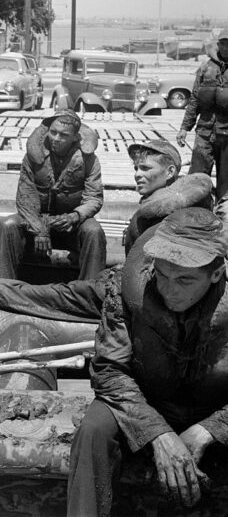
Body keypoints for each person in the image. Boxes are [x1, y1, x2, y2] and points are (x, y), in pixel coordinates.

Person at [67, 208, 228, 516]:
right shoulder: (127, 288)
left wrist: (209, 429)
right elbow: (109, 370)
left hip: (216, 406)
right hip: (147, 400)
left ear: (217, 274)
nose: (168, 289)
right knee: (94, 428)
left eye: (185, 279)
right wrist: (158, 433)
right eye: (162, 274)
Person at [0, 138, 214, 322]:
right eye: (136, 168)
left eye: (145, 169)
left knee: (54, 296)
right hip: (134, 282)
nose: (137, 175)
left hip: (136, 292)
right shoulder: (164, 205)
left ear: (170, 172)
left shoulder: (172, 214)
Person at [0, 109, 106, 281]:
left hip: (70, 224)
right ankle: (3, 286)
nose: (56, 138)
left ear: (75, 138)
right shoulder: (32, 157)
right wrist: (39, 229)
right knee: (9, 225)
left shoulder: (89, 160)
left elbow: (94, 197)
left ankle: (89, 290)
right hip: (36, 221)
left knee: (94, 231)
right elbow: (25, 197)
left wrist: (75, 216)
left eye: (63, 135)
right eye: (53, 132)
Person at [177, 28, 228, 201]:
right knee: (196, 181)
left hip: (227, 135)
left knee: (226, 185)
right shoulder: (206, 67)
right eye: (223, 43)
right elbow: (194, 100)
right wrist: (184, 128)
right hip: (204, 134)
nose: (226, 47)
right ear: (218, 44)